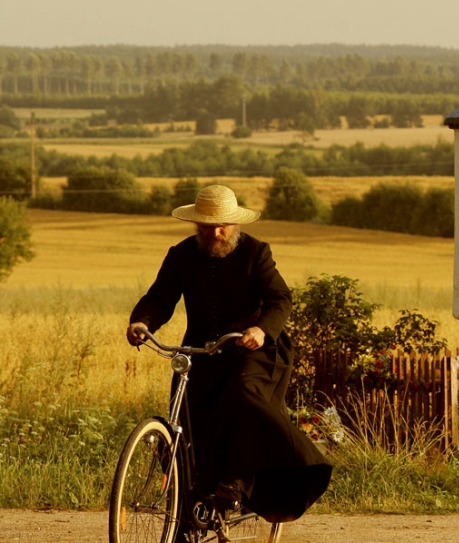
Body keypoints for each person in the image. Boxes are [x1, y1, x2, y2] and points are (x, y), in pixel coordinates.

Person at [126, 184, 331, 526]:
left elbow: (280, 299)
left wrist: (261, 330)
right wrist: (142, 321)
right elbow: (161, 298)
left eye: (222, 225)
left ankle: (239, 481)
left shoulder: (256, 253)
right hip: (203, 351)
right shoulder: (181, 255)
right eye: (208, 226)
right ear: (197, 226)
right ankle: (190, 512)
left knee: (243, 395)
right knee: (186, 422)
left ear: (235, 224)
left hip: (254, 348)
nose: (216, 232)